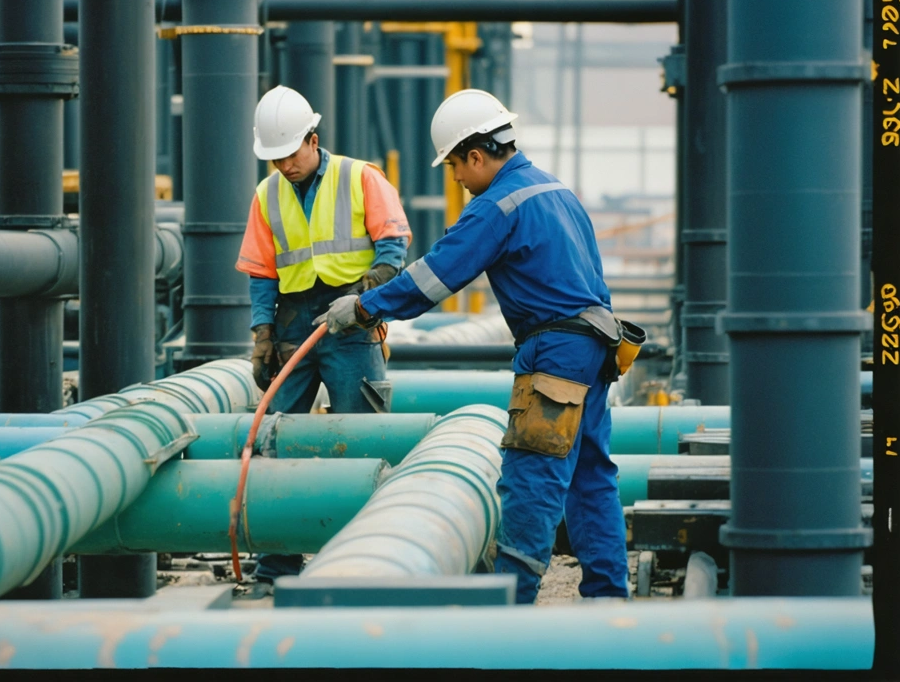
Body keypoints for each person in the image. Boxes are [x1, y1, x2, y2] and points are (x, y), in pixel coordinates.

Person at [315, 88, 630, 604]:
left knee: (532, 477)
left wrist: (365, 307)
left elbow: (435, 277)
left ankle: (509, 604)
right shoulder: (554, 190)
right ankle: (608, 600)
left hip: (553, 355)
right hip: (596, 347)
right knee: (591, 476)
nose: (457, 179)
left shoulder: (495, 206)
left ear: (478, 156)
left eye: (457, 167)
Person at [236, 84, 412, 583]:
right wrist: (262, 332)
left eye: (290, 155)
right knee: (273, 440)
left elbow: (393, 247)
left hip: (353, 321)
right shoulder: (266, 194)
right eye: (275, 159)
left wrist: (365, 298)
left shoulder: (361, 178)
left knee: (361, 440)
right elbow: (262, 272)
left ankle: (362, 559)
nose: (284, 166)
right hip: (293, 324)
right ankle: (276, 561)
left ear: (313, 140)